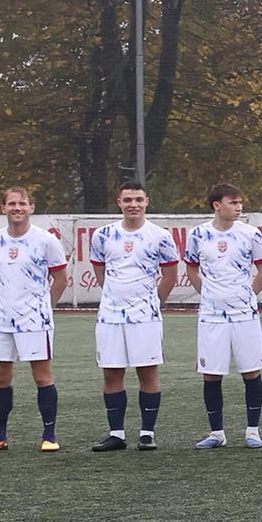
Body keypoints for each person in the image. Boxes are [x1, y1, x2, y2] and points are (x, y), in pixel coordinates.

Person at [0, 187, 68, 453]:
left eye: (22, 203)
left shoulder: (46, 240)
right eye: (12, 203)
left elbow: (61, 280)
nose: (17, 208)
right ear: (3, 208)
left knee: (42, 377)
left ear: (31, 208)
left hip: (34, 320)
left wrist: (46, 308)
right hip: (0, 319)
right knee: (0, 378)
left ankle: (49, 435)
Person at [182, 184, 262, 448]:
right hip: (211, 316)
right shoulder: (198, 234)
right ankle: (217, 434)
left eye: (240, 203)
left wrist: (248, 297)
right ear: (217, 205)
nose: (239, 207)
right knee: (211, 374)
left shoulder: (250, 234)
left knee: (251, 371)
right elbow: (191, 270)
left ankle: (253, 431)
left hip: (244, 314)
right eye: (233, 203)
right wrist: (209, 296)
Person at [86, 183, 179, 450]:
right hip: (111, 316)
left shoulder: (160, 235)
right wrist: (115, 297)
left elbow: (170, 275)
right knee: (112, 374)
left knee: (147, 373)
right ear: (119, 202)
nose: (133, 204)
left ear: (147, 201)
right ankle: (117, 434)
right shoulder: (103, 235)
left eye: (138, 199)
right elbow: (100, 270)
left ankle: (147, 434)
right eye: (128, 200)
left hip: (145, 316)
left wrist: (153, 303)